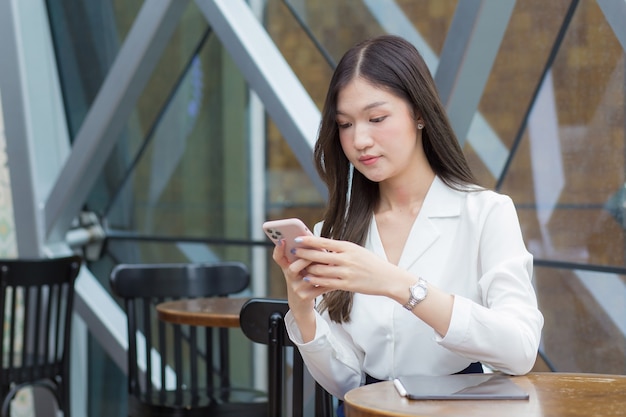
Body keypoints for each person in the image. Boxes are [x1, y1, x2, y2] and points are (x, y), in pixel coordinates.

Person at [271, 34, 544, 411]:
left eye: (377, 118)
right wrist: (301, 309)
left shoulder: (485, 213)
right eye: (345, 124)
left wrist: (398, 285)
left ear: (418, 113)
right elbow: (346, 380)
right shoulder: (335, 233)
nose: (359, 140)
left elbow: (520, 350)